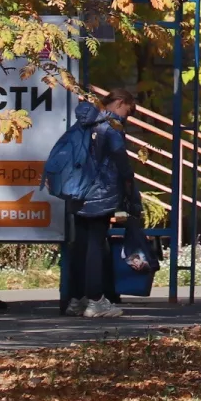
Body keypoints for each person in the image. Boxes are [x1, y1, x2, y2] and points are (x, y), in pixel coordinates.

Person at [66, 89, 143, 319]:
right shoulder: (110, 128)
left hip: (76, 191)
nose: (126, 117)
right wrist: (130, 185)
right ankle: (96, 300)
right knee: (95, 246)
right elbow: (121, 162)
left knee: (80, 245)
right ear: (119, 102)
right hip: (100, 193)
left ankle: (76, 299)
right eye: (127, 111)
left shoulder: (82, 124)